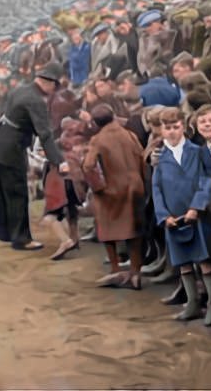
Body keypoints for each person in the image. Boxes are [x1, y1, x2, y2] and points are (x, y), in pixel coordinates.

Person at [0, 62, 68, 251]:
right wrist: (59, 161)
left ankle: (6, 232)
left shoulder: (19, 90)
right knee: (17, 194)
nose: (54, 90)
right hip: (11, 148)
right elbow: (45, 134)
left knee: (4, 192)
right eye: (55, 85)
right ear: (49, 82)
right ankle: (21, 239)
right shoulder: (36, 100)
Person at [152, 107, 211, 325]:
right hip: (173, 217)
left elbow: (205, 181)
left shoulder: (196, 151)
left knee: (205, 261)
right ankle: (192, 303)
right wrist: (164, 216)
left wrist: (196, 207)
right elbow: (156, 190)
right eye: (167, 128)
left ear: (184, 126)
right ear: (161, 130)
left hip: (196, 216)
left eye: (175, 127)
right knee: (183, 263)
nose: (171, 132)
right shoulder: (160, 158)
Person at [84, 103, 146, 289]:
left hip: (112, 189)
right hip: (135, 187)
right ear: (113, 116)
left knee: (108, 229)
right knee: (134, 230)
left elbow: (88, 166)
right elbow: (142, 158)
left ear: (95, 122)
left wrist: (98, 187)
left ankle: (115, 269)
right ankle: (136, 272)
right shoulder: (130, 135)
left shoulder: (98, 139)